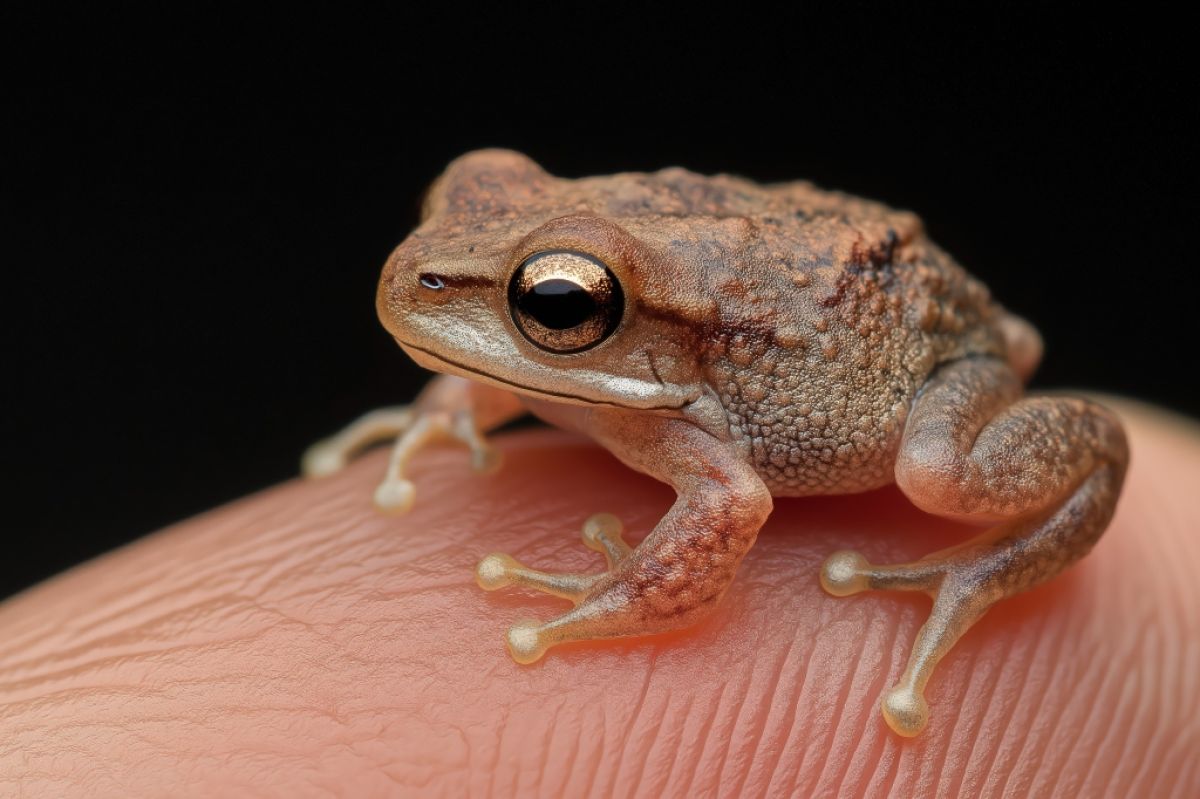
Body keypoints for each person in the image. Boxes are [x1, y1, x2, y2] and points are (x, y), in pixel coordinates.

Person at [0, 399, 1195, 796]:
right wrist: (452, 401)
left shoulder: (686, 417)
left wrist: (629, 591)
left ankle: (986, 568)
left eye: (557, 308)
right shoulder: (598, 365)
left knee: (941, 475)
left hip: (921, 359)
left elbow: (727, 502)